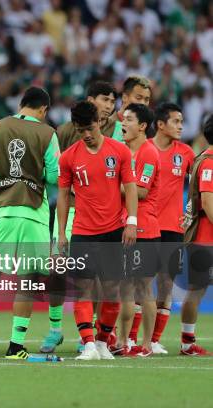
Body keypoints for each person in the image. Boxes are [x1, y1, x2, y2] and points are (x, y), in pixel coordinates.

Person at [0, 88, 59, 359]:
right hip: (34, 214)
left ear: (21, 105)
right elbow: (54, 176)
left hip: (3, 212)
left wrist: (4, 173)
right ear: (43, 110)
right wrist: (35, 172)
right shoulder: (48, 133)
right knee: (27, 281)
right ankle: (16, 346)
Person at [44, 81, 121, 353]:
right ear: (92, 100)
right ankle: (56, 329)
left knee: (107, 285)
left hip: (108, 216)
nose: (109, 106)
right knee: (57, 270)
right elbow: (57, 177)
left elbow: (123, 174)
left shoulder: (119, 133)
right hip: (75, 215)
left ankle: (96, 337)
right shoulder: (65, 132)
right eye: (105, 100)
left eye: (113, 102)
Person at [57, 101, 137, 361]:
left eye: (90, 128)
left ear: (100, 122)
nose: (87, 135)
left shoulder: (120, 151)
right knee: (83, 289)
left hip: (114, 230)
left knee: (112, 290)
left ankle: (103, 343)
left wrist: (132, 221)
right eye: (81, 130)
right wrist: (61, 233)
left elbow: (131, 187)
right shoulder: (69, 156)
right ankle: (88, 344)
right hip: (82, 231)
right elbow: (62, 196)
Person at [146, 103, 194, 354]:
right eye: (176, 121)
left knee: (166, 285)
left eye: (182, 121)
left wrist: (189, 212)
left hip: (174, 229)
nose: (181, 126)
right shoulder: (145, 149)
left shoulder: (185, 153)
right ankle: (134, 338)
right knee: (142, 284)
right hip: (147, 226)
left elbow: (199, 186)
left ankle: (154, 340)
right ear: (161, 124)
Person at [113, 103, 160, 357]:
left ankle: (147, 344)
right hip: (126, 225)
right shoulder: (123, 151)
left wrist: (108, 185)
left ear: (142, 126)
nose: (123, 123)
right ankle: (123, 341)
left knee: (141, 288)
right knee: (126, 287)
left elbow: (140, 191)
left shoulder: (149, 153)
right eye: (123, 118)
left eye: (129, 119)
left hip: (144, 228)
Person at [179, 114, 213, 356]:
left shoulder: (202, 158)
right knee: (196, 289)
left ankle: (187, 342)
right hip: (205, 237)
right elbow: (209, 202)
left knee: (196, 289)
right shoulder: (210, 163)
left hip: (202, 237)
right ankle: (187, 344)